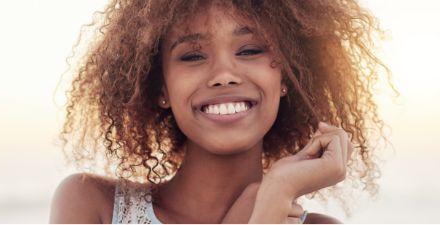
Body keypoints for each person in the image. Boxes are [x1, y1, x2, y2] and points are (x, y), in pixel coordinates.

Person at [51, 0, 390, 223]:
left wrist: (277, 191)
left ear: (288, 76)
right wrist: (267, 204)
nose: (224, 74)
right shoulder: (93, 206)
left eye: (250, 50)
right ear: (159, 87)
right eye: (193, 56)